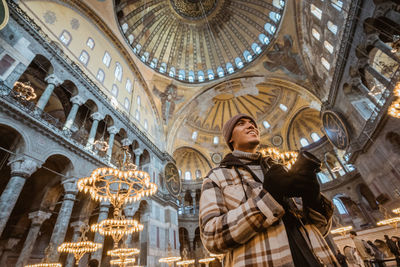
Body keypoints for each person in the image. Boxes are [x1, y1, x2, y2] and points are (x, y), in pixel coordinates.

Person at [199, 114, 338, 266]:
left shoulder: (280, 169)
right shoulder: (217, 176)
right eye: (241, 123)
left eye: (252, 123)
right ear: (230, 138)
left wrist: (314, 200)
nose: (251, 126)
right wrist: (267, 201)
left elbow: (322, 230)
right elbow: (211, 237)